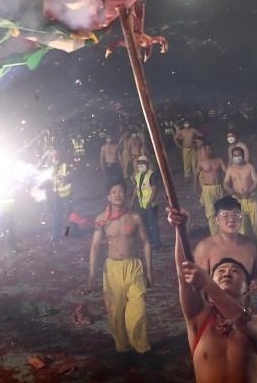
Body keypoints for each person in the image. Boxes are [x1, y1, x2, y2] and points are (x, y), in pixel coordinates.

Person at [176, 214, 257, 382]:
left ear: (247, 289)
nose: (227, 273)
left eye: (235, 271)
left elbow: (242, 322)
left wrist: (208, 284)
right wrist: (180, 229)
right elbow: (183, 275)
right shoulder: (199, 318)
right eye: (220, 271)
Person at [87, 180, 153, 357]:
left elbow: (146, 243)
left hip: (133, 267)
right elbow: (95, 246)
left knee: (138, 309)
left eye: (120, 191)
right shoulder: (101, 219)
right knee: (115, 312)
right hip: (112, 270)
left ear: (126, 194)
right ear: (108, 197)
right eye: (114, 191)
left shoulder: (135, 217)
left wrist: (149, 271)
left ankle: (142, 348)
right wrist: (91, 274)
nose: (117, 194)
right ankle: (123, 348)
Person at [224, 145, 257, 238]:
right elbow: (225, 183)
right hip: (238, 199)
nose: (237, 157)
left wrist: (249, 191)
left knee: (256, 222)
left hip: (250, 197)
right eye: (235, 156)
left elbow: (255, 180)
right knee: (241, 224)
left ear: (243, 155)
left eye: (239, 155)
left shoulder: (249, 166)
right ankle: (243, 242)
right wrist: (233, 192)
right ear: (232, 157)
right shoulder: (230, 169)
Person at [130, 156, 163, 250]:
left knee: (153, 224)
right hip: (142, 204)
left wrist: (149, 202)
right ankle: (151, 242)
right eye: (139, 163)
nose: (141, 165)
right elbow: (136, 189)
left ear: (147, 164)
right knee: (145, 224)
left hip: (151, 205)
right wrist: (132, 200)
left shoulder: (151, 175)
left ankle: (157, 244)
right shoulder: (138, 176)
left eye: (143, 163)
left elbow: (154, 190)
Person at [195, 142, 227, 235]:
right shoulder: (201, 162)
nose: (205, 151)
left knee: (222, 209)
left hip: (218, 187)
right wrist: (196, 188)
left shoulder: (218, 160)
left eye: (207, 149)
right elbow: (196, 176)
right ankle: (214, 233)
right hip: (207, 189)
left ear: (211, 150)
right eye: (204, 150)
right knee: (211, 212)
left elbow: (226, 172)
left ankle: (223, 230)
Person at [48, 146, 74, 245]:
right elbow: (51, 180)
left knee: (68, 215)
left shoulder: (65, 166)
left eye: (55, 156)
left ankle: (68, 233)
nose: (54, 158)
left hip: (66, 194)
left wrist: (66, 177)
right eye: (53, 156)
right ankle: (56, 235)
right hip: (57, 196)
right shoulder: (52, 168)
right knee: (57, 216)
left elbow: (69, 177)